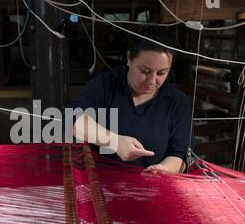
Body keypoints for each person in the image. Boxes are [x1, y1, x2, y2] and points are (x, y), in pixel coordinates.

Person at [68, 27, 192, 173]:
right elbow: (73, 119)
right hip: (102, 185)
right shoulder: (106, 85)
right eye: (145, 71)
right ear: (129, 59)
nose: (152, 80)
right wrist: (114, 141)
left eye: (161, 73)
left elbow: (178, 154)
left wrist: (163, 170)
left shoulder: (177, 103)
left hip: (152, 187)